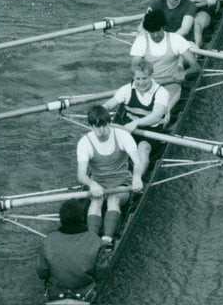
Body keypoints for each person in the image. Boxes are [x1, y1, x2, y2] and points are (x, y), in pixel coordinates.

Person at [76, 106, 144, 245]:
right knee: (96, 201)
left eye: (105, 126)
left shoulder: (123, 136)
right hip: (98, 184)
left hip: (122, 183)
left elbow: (138, 163)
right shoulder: (84, 142)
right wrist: (92, 184)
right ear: (91, 127)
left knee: (113, 199)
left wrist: (137, 178)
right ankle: (92, 240)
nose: (102, 131)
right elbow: (81, 175)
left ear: (110, 122)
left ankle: (107, 239)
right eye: (97, 127)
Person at [102, 59, 169, 173]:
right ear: (133, 78)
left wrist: (136, 123)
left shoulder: (161, 92)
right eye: (138, 79)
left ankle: (137, 180)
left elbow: (156, 116)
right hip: (128, 129)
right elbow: (108, 105)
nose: (141, 82)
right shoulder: (126, 90)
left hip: (152, 133)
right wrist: (100, 113)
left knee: (143, 148)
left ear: (151, 76)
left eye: (144, 78)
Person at [36, 199, 110, 301]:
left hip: (56, 291)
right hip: (86, 292)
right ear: (82, 218)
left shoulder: (48, 240)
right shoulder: (96, 241)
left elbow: (42, 273)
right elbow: (102, 273)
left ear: (61, 219)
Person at [130, 9, 200, 112]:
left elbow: (196, 67)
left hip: (170, 83)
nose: (155, 35)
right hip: (146, 83)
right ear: (147, 31)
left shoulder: (176, 39)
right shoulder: (141, 41)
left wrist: (184, 73)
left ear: (163, 27)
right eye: (152, 32)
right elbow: (133, 69)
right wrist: (147, 81)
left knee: (159, 110)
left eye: (158, 30)